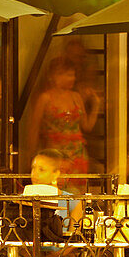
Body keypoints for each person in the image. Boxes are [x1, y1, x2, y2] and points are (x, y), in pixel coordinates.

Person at [25, 56, 100, 186]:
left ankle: (76, 207)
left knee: (76, 193)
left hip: (78, 154)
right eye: (69, 75)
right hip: (54, 155)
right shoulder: (45, 98)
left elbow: (87, 126)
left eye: (74, 75)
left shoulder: (76, 97)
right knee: (55, 190)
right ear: (55, 75)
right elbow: (34, 129)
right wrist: (31, 156)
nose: (73, 79)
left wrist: (96, 106)